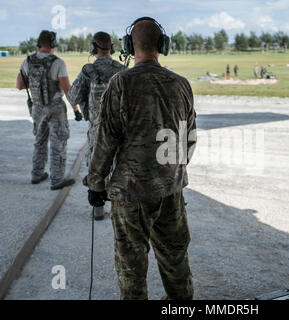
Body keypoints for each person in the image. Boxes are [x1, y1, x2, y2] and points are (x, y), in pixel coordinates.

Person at [84, 17, 197, 300]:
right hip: (170, 190)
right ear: (162, 46)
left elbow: (106, 138)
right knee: (175, 260)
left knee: (132, 268)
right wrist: (171, 170)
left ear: (128, 47)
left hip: (130, 193)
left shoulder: (120, 83)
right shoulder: (181, 84)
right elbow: (189, 138)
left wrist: (96, 182)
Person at [67, 32, 126, 220]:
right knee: (119, 167)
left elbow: (72, 97)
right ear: (112, 48)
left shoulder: (88, 71)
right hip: (120, 132)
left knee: (95, 167)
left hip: (97, 132)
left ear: (93, 48)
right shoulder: (123, 70)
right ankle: (119, 210)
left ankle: (98, 209)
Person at [16, 30, 82, 190]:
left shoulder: (28, 61)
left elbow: (19, 85)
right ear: (53, 44)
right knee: (58, 142)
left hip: (37, 108)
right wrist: (76, 110)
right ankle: (57, 179)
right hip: (55, 108)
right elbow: (68, 90)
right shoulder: (58, 63)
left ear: (39, 43)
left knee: (39, 141)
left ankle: (36, 174)